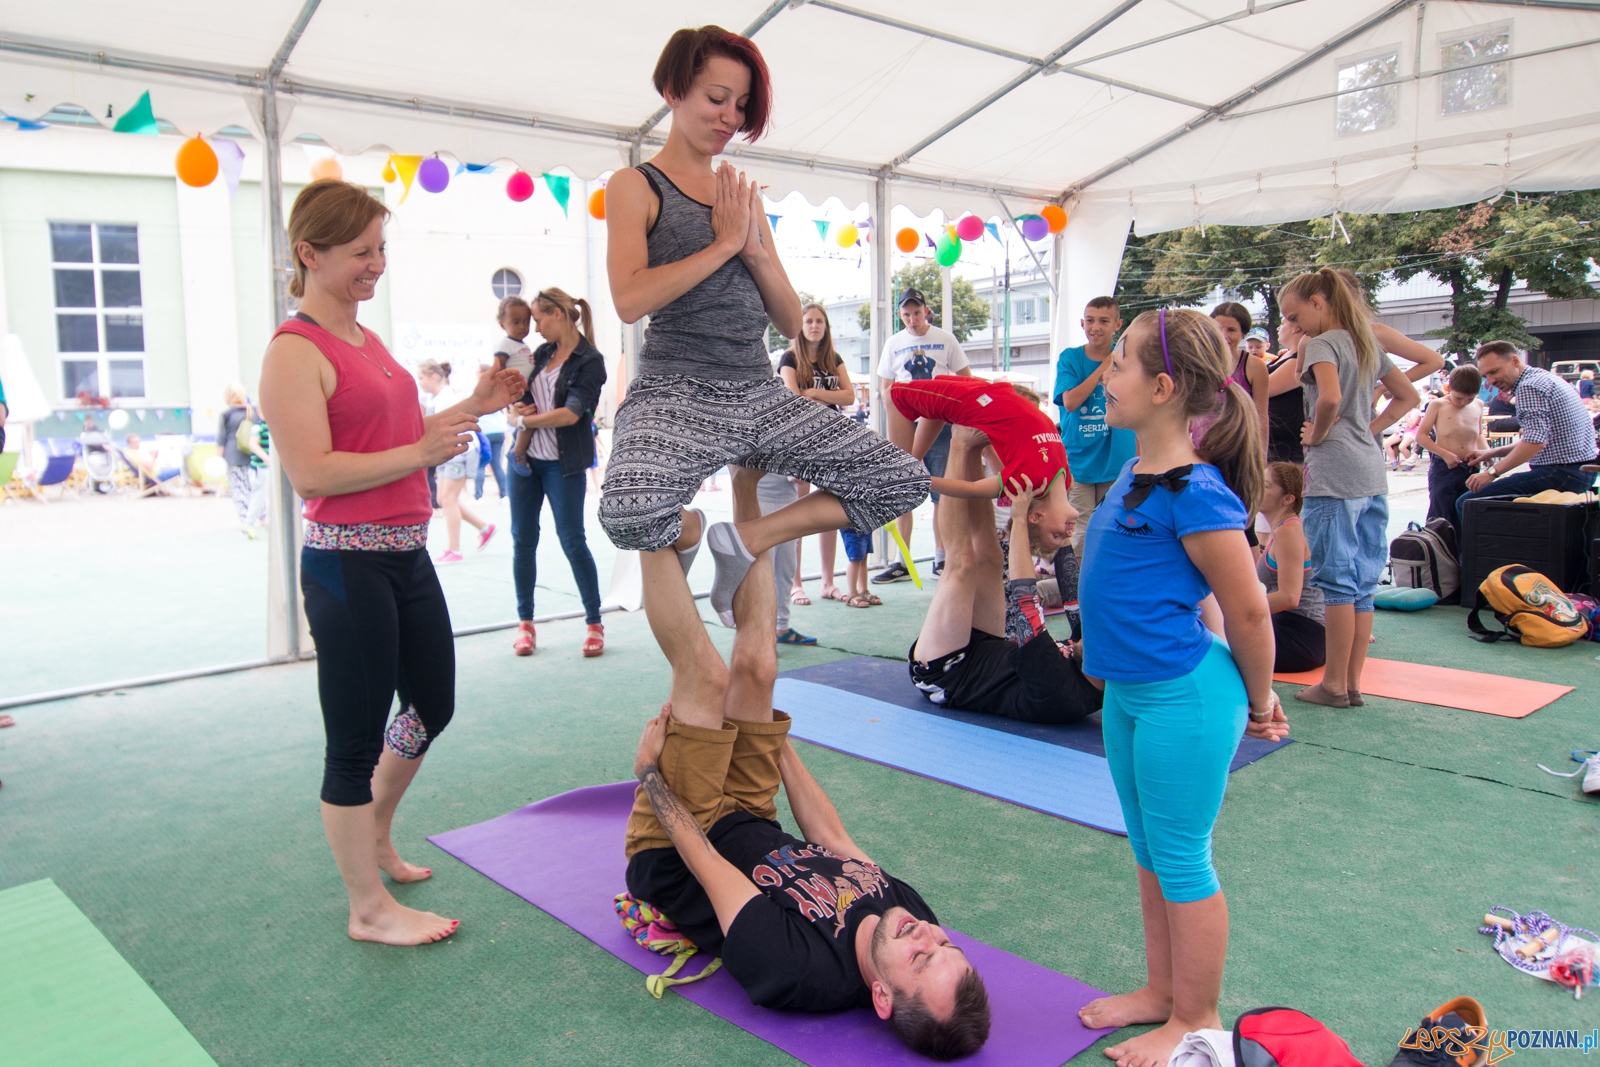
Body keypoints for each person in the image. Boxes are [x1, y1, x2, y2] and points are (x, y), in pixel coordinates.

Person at [624, 472, 990, 1058]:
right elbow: (832, 839)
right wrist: (770, 736)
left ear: (882, 998)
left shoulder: (799, 971)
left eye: (922, 958)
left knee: (709, 677)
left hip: (676, 848)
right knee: (759, 670)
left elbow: (707, 866)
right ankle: (746, 486)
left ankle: (645, 515)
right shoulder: (910, 920)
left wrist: (650, 774)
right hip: (750, 816)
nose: (926, 934)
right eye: (947, 945)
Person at [258, 179, 524, 945]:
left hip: (405, 555)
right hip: (347, 564)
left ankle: (373, 833)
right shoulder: (293, 351)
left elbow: (402, 437)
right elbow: (312, 473)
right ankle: (367, 908)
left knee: (430, 704)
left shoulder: (366, 341)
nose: (376, 264)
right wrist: (421, 449)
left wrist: (474, 404)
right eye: (360, 251)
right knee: (352, 741)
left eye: (381, 249)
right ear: (309, 254)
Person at [601, 26, 928, 636]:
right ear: (673, 91)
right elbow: (629, 299)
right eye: (716, 98)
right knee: (628, 514)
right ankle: (693, 531)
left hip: (756, 390)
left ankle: (745, 539)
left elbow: (789, 320)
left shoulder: (744, 198)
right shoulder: (635, 186)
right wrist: (723, 243)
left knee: (901, 478)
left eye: (742, 105)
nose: (731, 117)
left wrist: (750, 247)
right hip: (674, 388)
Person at [1073, 306, 1288, 1065]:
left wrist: (1261, 700)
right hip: (1131, 697)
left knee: (1182, 855)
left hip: (1184, 699)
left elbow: (1247, 609)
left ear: (1163, 388)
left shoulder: (1197, 490)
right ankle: (1162, 991)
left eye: (1121, 362)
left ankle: (1195, 1019)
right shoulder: (1132, 474)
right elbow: (1187, 595)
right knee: (1148, 850)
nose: (1108, 374)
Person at [1279, 268, 1420, 709]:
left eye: (1295, 316)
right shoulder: (1365, 343)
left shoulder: (1323, 343)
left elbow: (1330, 398)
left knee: (1336, 581)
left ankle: (1335, 683)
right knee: (1362, 582)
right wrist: (1368, 430)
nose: (1294, 326)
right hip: (1370, 473)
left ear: (1318, 302)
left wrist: (1320, 433)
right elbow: (1408, 396)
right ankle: (1351, 682)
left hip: (1335, 474)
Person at [908, 425, 1101, 723]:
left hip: (944, 673)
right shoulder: (1089, 653)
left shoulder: (1061, 690)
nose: (1084, 636)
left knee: (962, 564)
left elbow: (1025, 597)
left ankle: (959, 444)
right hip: (983, 647)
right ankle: (976, 447)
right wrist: (1062, 518)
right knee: (991, 557)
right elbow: (1070, 583)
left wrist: (1020, 519)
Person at [504, 288, 610, 657]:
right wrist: (514, 409)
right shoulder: (541, 354)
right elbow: (521, 393)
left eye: (539, 319)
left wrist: (523, 421)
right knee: (522, 541)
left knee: (572, 541)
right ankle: (525, 623)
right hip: (524, 463)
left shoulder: (590, 361)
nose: (534, 328)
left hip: (563, 465)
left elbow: (571, 414)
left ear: (558, 315)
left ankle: (594, 622)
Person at [886, 374, 1075, 557]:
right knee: (934, 402)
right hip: (995, 394)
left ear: (1037, 517)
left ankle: (901, 475)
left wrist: (917, 480)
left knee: (894, 396)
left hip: (981, 401)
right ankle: (906, 469)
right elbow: (1007, 470)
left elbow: (973, 489)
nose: (1067, 534)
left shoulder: (1026, 485)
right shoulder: (1065, 482)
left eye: (1056, 535)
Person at [875, 288, 971, 583]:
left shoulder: (945, 339)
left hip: (940, 422)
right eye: (907, 314)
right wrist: (897, 419)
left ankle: (941, 559)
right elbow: (885, 388)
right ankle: (902, 561)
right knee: (903, 487)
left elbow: (966, 379)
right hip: (906, 421)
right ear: (900, 314)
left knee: (942, 492)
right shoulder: (893, 343)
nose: (912, 319)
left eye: (917, 313)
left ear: (926, 311)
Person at [1455, 342, 1598, 525]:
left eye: (1494, 371)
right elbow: (1538, 437)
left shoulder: (1528, 387)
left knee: (1466, 503)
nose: (1490, 381)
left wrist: (1492, 472)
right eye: (1486, 376)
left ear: (1515, 361)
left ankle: (1480, 545)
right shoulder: (1544, 378)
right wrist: (1493, 452)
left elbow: (1535, 442)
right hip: (1580, 471)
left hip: (1560, 473)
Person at [778, 303, 856, 605]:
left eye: (819, 321)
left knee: (830, 513)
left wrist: (814, 392)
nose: (814, 326)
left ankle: (827, 582)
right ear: (800, 326)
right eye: (809, 320)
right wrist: (820, 397)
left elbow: (849, 396)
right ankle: (795, 583)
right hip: (802, 442)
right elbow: (793, 399)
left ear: (826, 326)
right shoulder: (789, 358)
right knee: (799, 513)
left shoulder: (833, 358)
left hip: (832, 441)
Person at [1052, 296, 1138, 570]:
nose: (1095, 327)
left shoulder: (1130, 358)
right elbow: (1070, 402)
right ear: (1082, 323)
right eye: (1090, 320)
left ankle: (1108, 582)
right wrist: (1104, 367)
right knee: (1078, 533)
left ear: (1117, 324)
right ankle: (1079, 588)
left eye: (1103, 321)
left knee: (1117, 528)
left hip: (1118, 461)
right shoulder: (1071, 358)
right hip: (1079, 462)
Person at [418, 360, 495, 564]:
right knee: (444, 499)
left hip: (460, 451)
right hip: (448, 452)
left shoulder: (447, 398)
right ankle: (484, 527)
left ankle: (454, 550)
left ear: (434, 377)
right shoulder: (434, 398)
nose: (420, 382)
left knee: (448, 499)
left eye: (422, 378)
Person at [1258, 462, 1325, 673]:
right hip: (1288, 628)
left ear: (1287, 499)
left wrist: (1237, 609)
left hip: (1300, 638)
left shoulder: (1289, 532)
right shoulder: (1282, 530)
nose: (1256, 488)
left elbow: (1289, 597)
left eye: (1265, 485)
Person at [1417, 366, 1487, 538]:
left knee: (1467, 515)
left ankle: (1463, 551)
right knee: (1441, 515)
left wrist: (1486, 452)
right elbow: (1421, 436)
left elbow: (1479, 434)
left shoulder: (1478, 404)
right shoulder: (1438, 404)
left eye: (1469, 399)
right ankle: (1440, 550)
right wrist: (1444, 453)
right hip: (1445, 467)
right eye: (1459, 398)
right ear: (1449, 388)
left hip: (1470, 467)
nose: (1463, 403)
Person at [755, 473, 818, 645]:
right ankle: (760, 634)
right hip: (759, 500)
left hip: (790, 501)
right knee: (762, 571)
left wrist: (802, 469)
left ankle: (781, 627)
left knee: (786, 568)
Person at [1201, 302, 1269, 446]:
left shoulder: (1255, 366)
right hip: (1200, 447)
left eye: (1231, 330)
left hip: (1238, 448)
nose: (1224, 335)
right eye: (1218, 329)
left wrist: (1261, 456)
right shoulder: (1199, 362)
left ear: (1243, 333)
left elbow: (1261, 418)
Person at [218, 384, 258, 537]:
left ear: (228, 397)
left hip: (233, 455)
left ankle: (245, 519)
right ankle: (261, 517)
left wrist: (219, 459)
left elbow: (222, 438)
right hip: (252, 453)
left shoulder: (227, 414)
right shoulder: (253, 411)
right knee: (254, 487)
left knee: (238, 488)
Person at [1263, 320, 1305, 463]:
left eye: (1282, 324)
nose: (1278, 328)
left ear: (1295, 328)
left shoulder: (1299, 360)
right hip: (1272, 444)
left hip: (1285, 450)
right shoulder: (1286, 355)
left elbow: (1263, 389)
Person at [473, 361, 509, 501]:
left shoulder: (478, 389)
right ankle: (504, 494)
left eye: (477, 372)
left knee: (481, 463)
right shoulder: (498, 387)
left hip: (484, 431)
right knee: (496, 463)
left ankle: (478, 496)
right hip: (498, 429)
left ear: (483, 374)